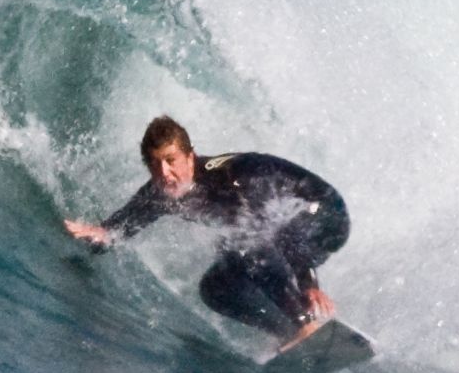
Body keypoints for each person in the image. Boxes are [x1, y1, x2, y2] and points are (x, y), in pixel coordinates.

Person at [65, 115, 349, 354]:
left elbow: (277, 231)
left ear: (190, 157)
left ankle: (304, 323)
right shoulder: (162, 193)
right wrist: (100, 235)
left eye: (171, 160)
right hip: (290, 229)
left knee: (245, 241)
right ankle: (287, 331)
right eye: (154, 164)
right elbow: (120, 227)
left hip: (326, 214)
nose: (164, 172)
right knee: (215, 287)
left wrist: (308, 282)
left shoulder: (230, 179)